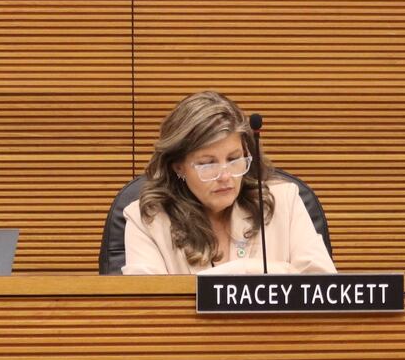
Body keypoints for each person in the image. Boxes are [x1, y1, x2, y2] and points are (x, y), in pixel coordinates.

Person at [122, 91, 335, 275]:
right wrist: (255, 272)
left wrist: (243, 270)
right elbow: (147, 304)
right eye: (207, 164)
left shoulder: (285, 203)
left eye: (234, 159)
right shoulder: (148, 221)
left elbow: (323, 289)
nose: (226, 177)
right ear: (178, 167)